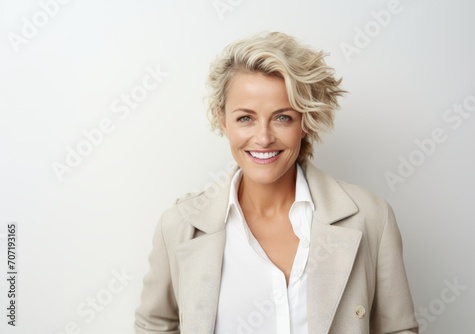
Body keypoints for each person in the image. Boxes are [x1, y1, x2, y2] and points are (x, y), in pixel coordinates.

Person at [135, 31, 419, 333]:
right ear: (222, 119)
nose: (263, 137)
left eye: (282, 117)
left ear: (305, 122)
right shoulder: (179, 225)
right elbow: (155, 324)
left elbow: (397, 328)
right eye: (245, 118)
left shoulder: (371, 217)